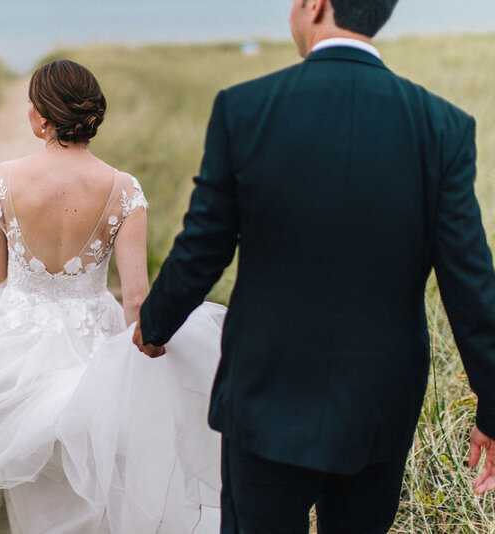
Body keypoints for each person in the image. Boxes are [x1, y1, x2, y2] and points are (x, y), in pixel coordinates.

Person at [134, 0, 495, 532]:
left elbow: (202, 248)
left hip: (264, 397)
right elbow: (470, 283)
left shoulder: (245, 108)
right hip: (380, 405)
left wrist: (153, 323)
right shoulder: (441, 126)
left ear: (317, 5)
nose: (288, 18)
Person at [0, 59, 226, 533]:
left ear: (42, 119)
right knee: (88, 459)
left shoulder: (2, 180)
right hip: (91, 338)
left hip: (13, 335)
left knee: (7, 450)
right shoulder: (124, 190)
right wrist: (143, 361)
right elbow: (137, 297)